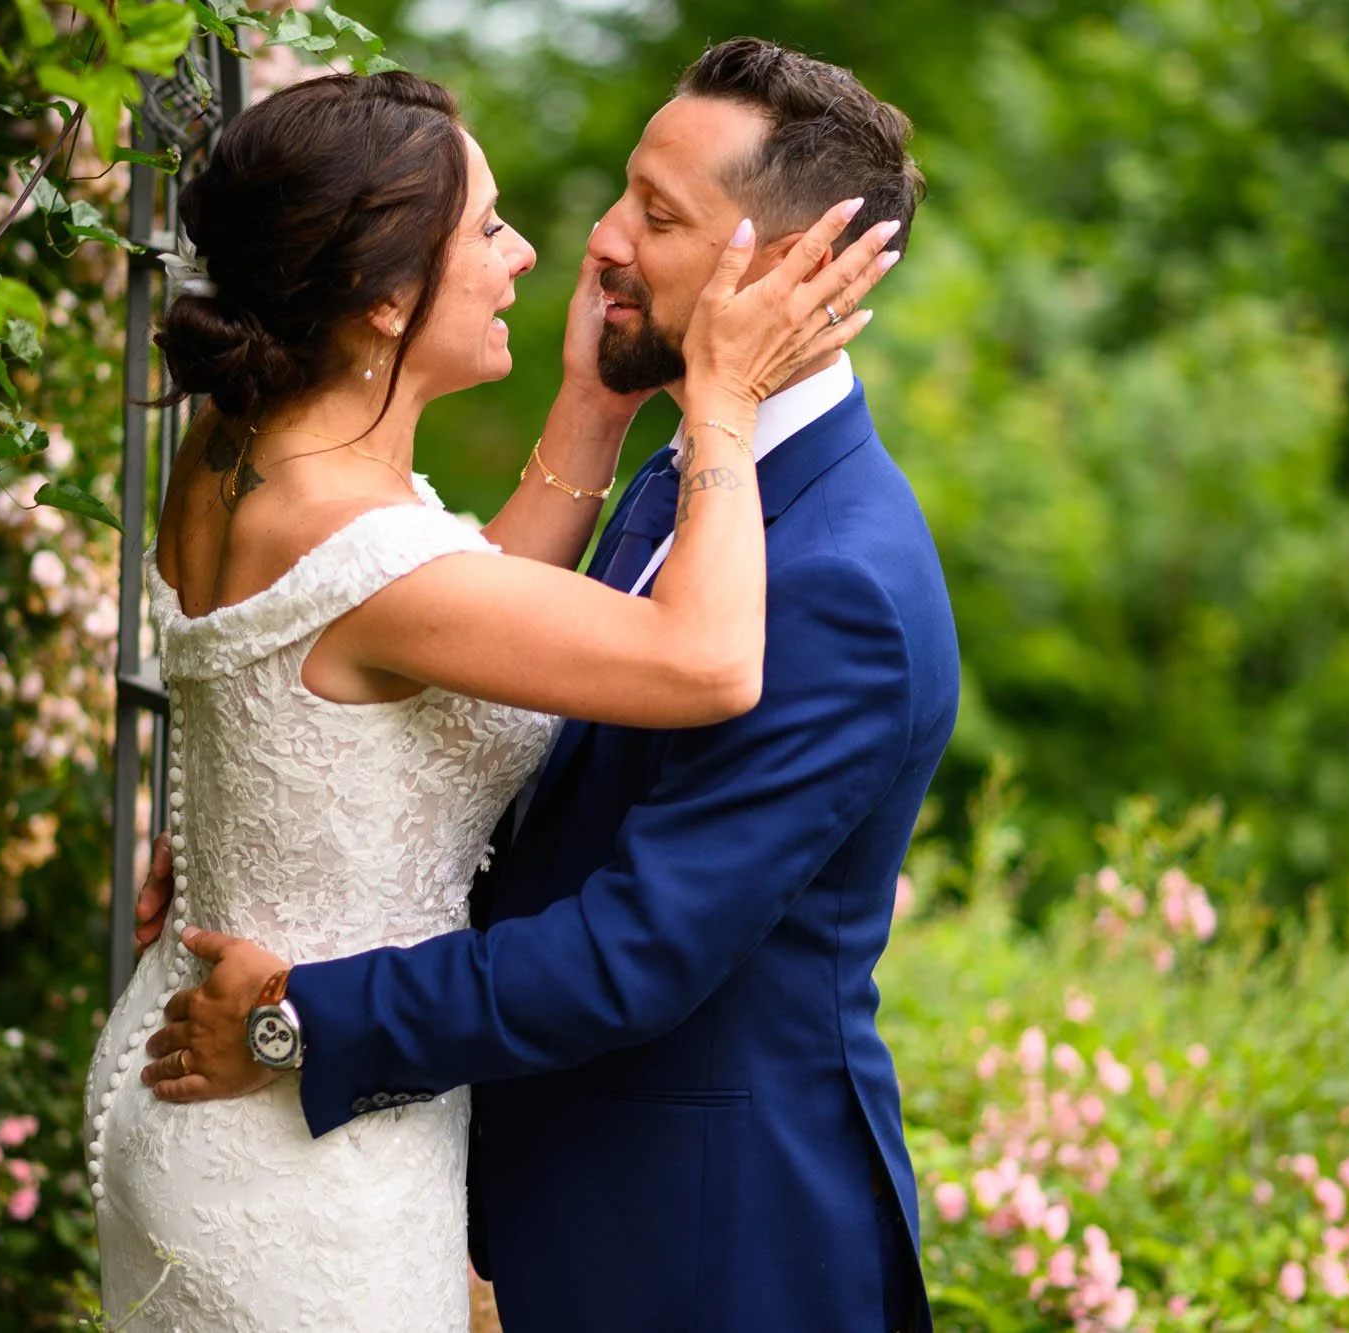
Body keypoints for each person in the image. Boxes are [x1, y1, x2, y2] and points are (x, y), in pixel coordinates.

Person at [84, 65, 896, 1333]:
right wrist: (723, 412)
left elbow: (434, 643)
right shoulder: (366, 549)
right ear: (384, 298)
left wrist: (590, 405)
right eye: (487, 229)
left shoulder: (237, 445)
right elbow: (697, 661)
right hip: (288, 1137)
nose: (549, 252)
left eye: (653, 212)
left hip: (211, 1080)